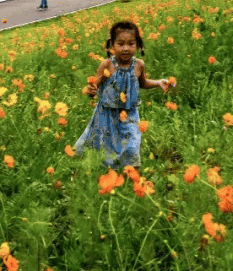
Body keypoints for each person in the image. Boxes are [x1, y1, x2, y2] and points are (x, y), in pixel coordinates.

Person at [74, 21, 172, 168]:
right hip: (107, 114)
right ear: (112, 45)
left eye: (131, 44)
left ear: (138, 45)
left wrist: (158, 83)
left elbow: (142, 83)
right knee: (106, 151)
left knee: (132, 146)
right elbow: (95, 86)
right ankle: (109, 176)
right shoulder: (107, 65)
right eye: (120, 44)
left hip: (130, 114)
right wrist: (90, 90)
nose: (126, 48)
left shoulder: (139, 65)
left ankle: (132, 173)